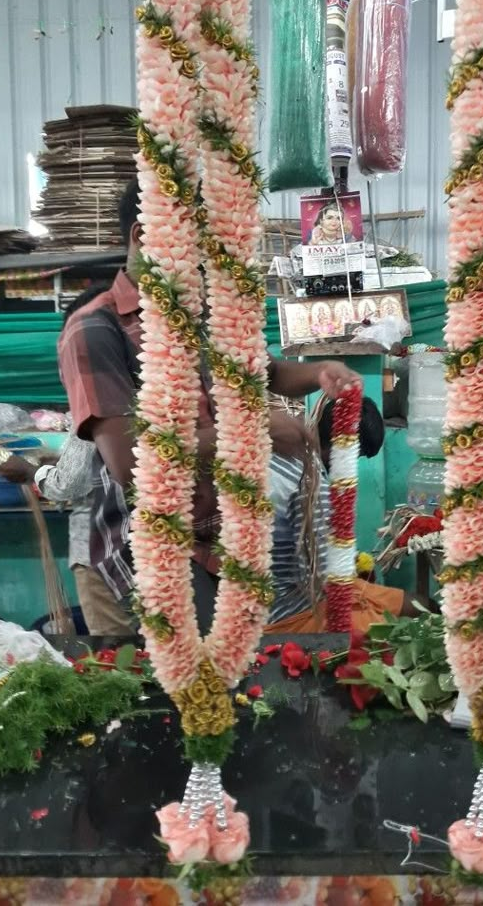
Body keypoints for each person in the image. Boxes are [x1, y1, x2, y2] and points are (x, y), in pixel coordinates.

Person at [57, 178, 362, 635]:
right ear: (145, 236)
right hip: (140, 551)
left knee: (229, 680)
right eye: (201, 247)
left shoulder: (199, 316)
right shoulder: (94, 329)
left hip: (215, 541)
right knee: (164, 692)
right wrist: (255, 431)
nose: (210, 264)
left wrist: (321, 372)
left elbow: (267, 371)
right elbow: (131, 460)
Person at [0, 286, 132, 636]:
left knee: (120, 655)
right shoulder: (145, 384)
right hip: (145, 546)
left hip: (102, 549)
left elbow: (70, 484)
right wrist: (58, 457)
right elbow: (103, 460)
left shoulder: (99, 392)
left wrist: (30, 472)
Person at [265, 396, 418, 634]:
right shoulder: (310, 482)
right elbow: (323, 580)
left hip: (285, 595)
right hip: (290, 612)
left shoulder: (286, 457)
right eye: (355, 457)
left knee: (401, 602)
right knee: (388, 631)